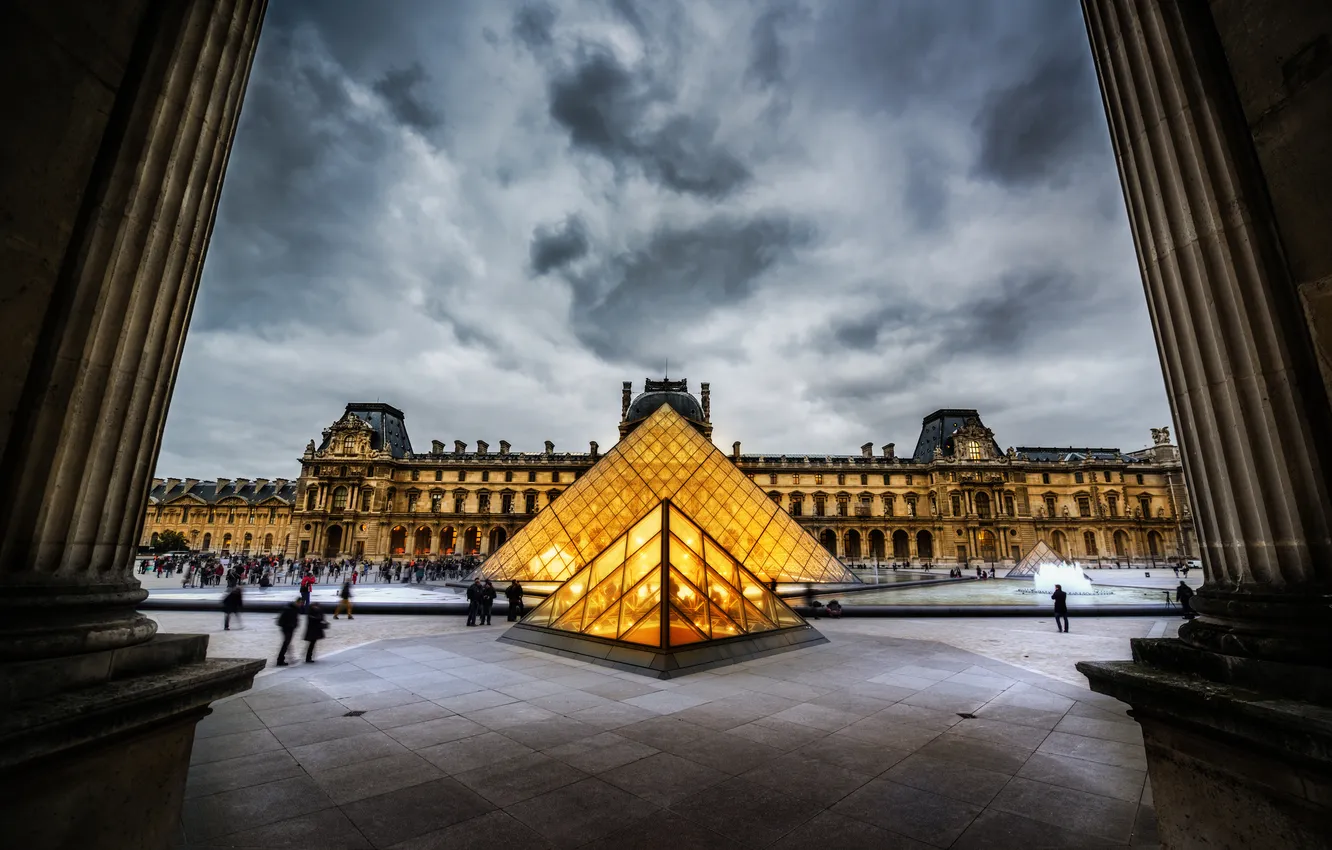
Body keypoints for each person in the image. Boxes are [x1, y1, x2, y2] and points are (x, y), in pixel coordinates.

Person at [276, 600, 300, 665]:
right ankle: (280, 660)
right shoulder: (288, 609)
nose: (301, 605)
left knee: (287, 644)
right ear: (297, 602)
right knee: (286, 644)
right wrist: (288, 625)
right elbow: (280, 620)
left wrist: (295, 625)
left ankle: (285, 659)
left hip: (290, 628)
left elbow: (295, 619)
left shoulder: (295, 609)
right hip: (287, 629)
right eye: (300, 603)